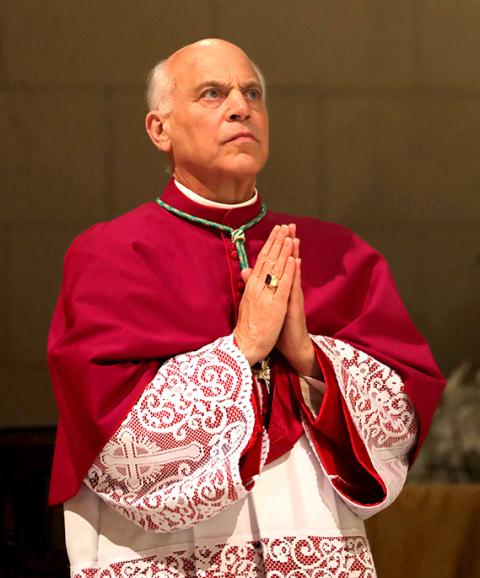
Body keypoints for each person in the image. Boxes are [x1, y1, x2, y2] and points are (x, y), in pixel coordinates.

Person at [48, 39, 445, 578]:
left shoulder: (339, 254)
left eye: (251, 93)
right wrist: (242, 348)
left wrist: (308, 356)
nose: (241, 106)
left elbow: (401, 417)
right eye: (213, 93)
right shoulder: (111, 255)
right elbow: (111, 437)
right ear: (159, 129)